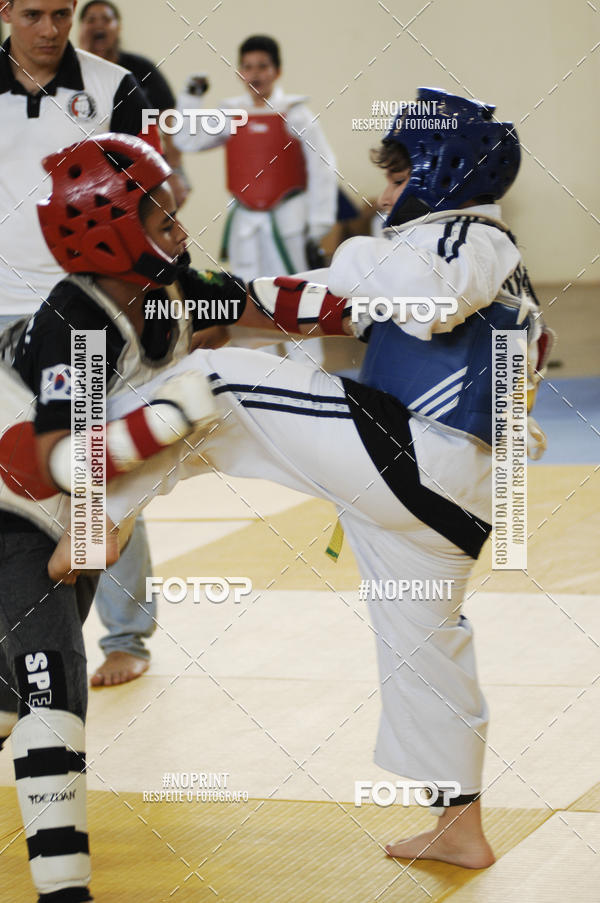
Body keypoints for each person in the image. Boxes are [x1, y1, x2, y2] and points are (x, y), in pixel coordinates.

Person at [7, 88, 553, 873]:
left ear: (440, 174)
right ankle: (457, 823)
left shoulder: (470, 237)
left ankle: (103, 517)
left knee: (217, 386)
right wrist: (227, 292)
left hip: (416, 458)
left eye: (397, 178)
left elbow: (430, 300)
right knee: (426, 648)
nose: (383, 195)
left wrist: (347, 270)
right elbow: (320, 303)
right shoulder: (437, 260)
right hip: (444, 504)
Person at [0, 132, 248, 902]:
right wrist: (166, 419)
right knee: (53, 689)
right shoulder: (73, 325)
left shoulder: (169, 288)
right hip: (12, 504)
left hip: (59, 509)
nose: (180, 228)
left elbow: (259, 298)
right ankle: (64, 890)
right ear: (111, 232)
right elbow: (60, 459)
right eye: (163, 217)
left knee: (15, 689)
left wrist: (375, 306)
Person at [0, 0, 167, 689]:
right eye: (33, 13)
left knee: (99, 481)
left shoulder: (114, 87)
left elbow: (150, 198)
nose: (50, 30)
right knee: (15, 488)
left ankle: (125, 634)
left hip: (85, 312)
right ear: (5, 9)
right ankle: (24, 653)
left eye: (62, 13)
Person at [174, 34, 337, 363]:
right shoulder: (232, 112)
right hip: (245, 223)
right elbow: (187, 140)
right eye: (247, 67)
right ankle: (251, 377)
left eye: (262, 66)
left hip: (288, 222)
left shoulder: (296, 114)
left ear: (277, 71)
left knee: (295, 298)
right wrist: (190, 98)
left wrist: (319, 223)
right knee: (246, 299)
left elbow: (323, 165)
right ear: (239, 73)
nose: (255, 75)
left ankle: (310, 374)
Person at [77, 0, 190, 208]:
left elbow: (169, 122)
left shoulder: (140, 69)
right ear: (80, 28)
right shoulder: (71, 74)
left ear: (118, 27)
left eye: (106, 19)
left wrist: (175, 171)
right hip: (86, 180)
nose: (98, 25)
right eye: (91, 20)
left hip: (140, 174)